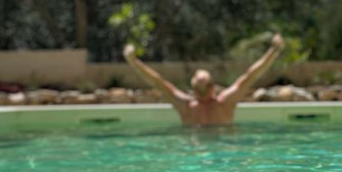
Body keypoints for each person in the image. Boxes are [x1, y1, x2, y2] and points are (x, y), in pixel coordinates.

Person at [123, 34, 286, 126]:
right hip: (223, 153)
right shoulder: (225, 103)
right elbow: (251, 75)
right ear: (213, 87)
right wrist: (274, 50)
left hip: (195, 156)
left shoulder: (186, 107)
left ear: (193, 89)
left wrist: (132, 60)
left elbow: (156, 80)